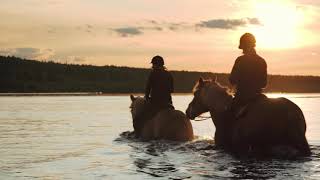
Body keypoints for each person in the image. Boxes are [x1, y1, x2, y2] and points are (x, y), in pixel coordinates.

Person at [133, 55, 174, 137]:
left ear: (156, 64)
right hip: (168, 104)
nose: (152, 66)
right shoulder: (169, 74)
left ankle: (137, 135)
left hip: (155, 103)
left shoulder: (153, 74)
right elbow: (172, 90)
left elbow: (148, 89)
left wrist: (147, 98)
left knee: (138, 119)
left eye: (153, 64)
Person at [229, 33, 267, 116]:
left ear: (245, 46)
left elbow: (232, 80)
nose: (242, 50)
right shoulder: (262, 61)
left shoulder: (240, 60)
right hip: (258, 97)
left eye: (243, 48)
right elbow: (264, 84)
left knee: (229, 115)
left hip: (242, 98)